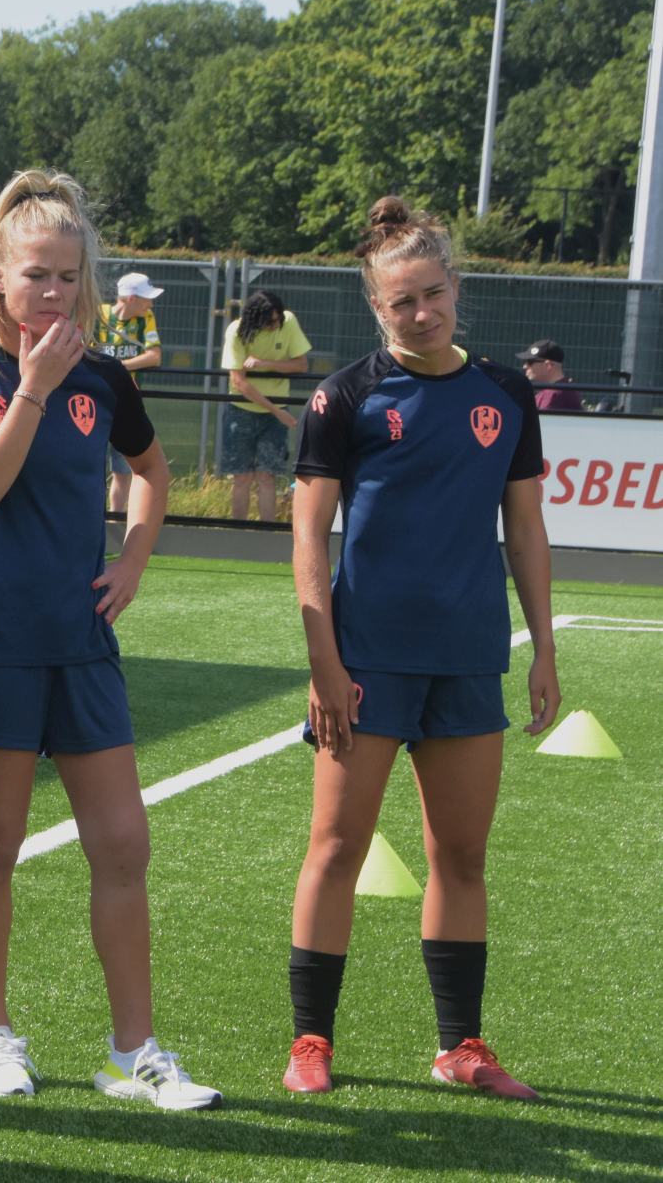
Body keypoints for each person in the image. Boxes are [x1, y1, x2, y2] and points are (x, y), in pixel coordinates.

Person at [0, 169, 221, 1113]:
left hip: (80, 642)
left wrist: (131, 560)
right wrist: (35, 391)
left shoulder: (104, 379)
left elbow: (153, 474)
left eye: (68, 275)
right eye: (35, 274)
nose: (52, 292)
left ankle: (135, 1050)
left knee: (123, 844)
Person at [284, 196, 559, 1099]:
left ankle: (460, 1047)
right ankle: (311, 1043)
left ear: (455, 289)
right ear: (377, 307)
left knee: (463, 857)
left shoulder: (505, 392)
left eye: (433, 294)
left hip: (470, 657)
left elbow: (525, 530)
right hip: (367, 664)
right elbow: (308, 539)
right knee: (336, 847)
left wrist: (542, 649)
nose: (422, 312)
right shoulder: (347, 396)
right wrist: (325, 662)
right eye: (401, 302)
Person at [220, 288, 311, 521]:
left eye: (277, 320)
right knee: (241, 477)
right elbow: (238, 382)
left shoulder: (288, 321)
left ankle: (266, 531)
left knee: (266, 476)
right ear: (254, 319)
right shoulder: (236, 331)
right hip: (242, 410)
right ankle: (238, 532)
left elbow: (301, 365)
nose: (275, 325)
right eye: (270, 322)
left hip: (276, 412)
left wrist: (264, 363)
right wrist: (276, 411)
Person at [95, 271, 164, 515]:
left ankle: (115, 521)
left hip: (126, 405)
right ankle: (94, 520)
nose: (151, 303)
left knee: (124, 471)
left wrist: (117, 369)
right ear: (131, 299)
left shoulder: (146, 318)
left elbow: (154, 357)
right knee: (92, 467)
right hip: (94, 403)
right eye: (147, 298)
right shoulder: (99, 315)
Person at [516, 339, 583, 412]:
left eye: (530, 362)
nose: (525, 366)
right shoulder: (565, 389)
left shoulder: (553, 396)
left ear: (548, 365)